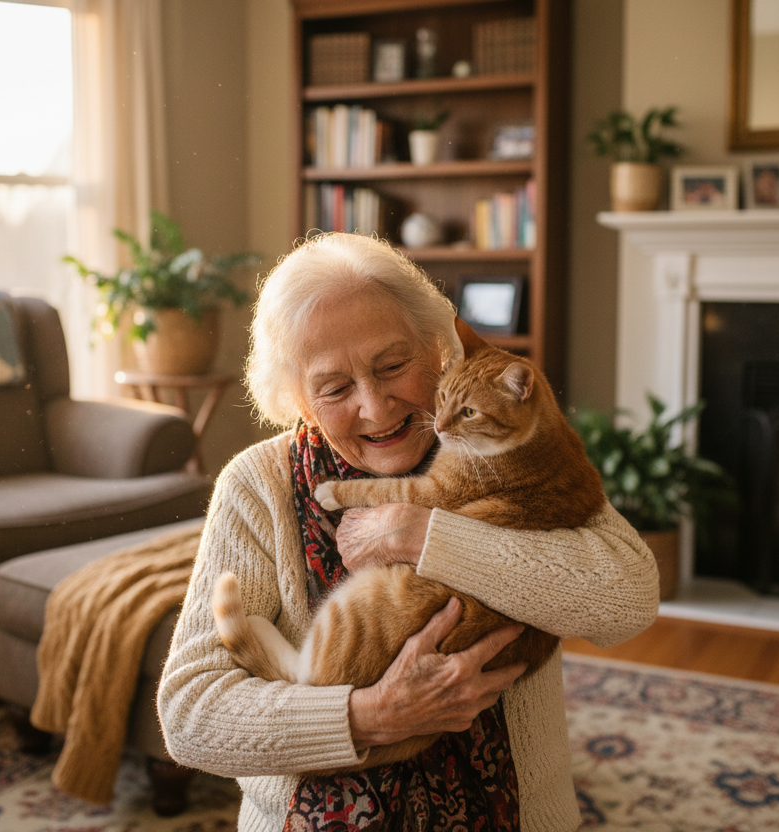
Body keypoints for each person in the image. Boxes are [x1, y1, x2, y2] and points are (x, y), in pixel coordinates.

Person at [157, 232, 659, 830]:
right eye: (335, 388)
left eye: (393, 366)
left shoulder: (513, 451)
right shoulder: (256, 484)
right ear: (298, 399)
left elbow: (631, 598)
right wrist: (370, 716)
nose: (376, 406)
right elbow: (189, 714)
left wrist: (425, 535)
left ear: (440, 349)